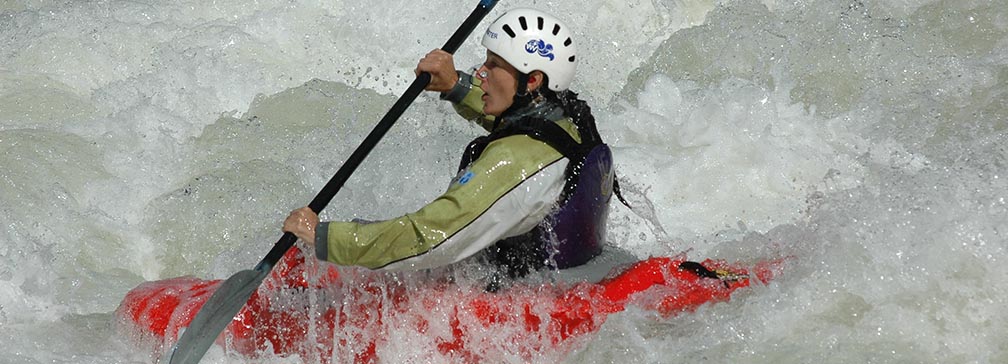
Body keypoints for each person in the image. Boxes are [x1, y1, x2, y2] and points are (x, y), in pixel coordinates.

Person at [283, 8, 623, 284]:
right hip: (570, 274)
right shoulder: (569, 118)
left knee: (353, 237)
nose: (480, 73)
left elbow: (432, 238)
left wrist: (325, 238)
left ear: (531, 80)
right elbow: (518, 124)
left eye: (494, 66)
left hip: (525, 298)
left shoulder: (514, 164)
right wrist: (455, 85)